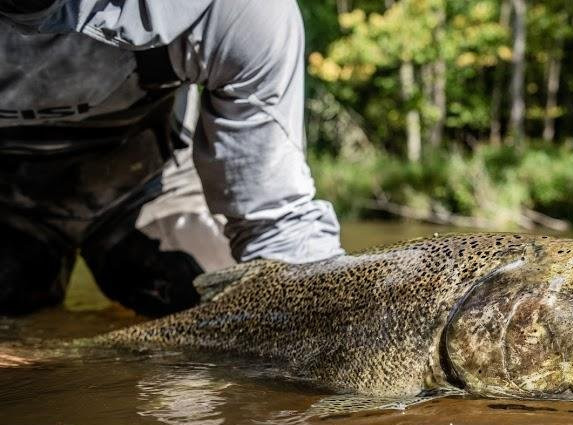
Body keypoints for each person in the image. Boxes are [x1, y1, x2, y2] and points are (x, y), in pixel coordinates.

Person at [0, 0, 344, 316]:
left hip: (153, 189)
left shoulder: (236, 9)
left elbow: (277, 231)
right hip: (7, 203)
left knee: (229, 316)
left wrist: (334, 322)